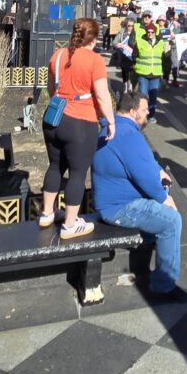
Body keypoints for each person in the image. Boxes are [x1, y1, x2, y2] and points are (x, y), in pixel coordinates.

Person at [92, 92, 187, 302]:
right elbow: (142, 174)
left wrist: (159, 170)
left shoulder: (117, 127)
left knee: (163, 197)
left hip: (115, 199)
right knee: (172, 221)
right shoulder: (127, 135)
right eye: (145, 110)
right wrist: (164, 199)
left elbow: (142, 161)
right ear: (134, 111)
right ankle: (165, 286)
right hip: (119, 207)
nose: (148, 114)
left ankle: (157, 248)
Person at [40, 18, 117, 239]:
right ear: (93, 39)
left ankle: (47, 213)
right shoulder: (95, 60)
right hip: (81, 121)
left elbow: (50, 88)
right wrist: (110, 121)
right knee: (77, 174)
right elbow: (102, 96)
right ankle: (70, 224)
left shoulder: (59, 55)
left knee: (54, 166)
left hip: (53, 117)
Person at [130, 23, 164, 121]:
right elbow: (134, 55)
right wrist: (136, 66)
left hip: (155, 74)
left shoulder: (161, 42)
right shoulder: (140, 41)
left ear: (155, 33)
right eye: (148, 32)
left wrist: (172, 43)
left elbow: (165, 56)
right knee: (143, 95)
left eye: (152, 32)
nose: (150, 34)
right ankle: (142, 115)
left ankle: (151, 115)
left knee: (153, 96)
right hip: (143, 73)